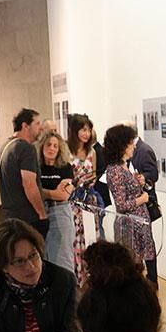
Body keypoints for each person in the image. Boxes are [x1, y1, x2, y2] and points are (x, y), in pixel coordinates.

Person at [0, 218, 79, 332]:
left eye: (33, 255)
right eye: (19, 261)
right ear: (3, 266)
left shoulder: (63, 280)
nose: (31, 267)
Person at [102, 124, 155, 280]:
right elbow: (122, 204)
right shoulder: (115, 170)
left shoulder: (124, 166)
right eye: (131, 143)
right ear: (122, 145)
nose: (133, 146)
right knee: (130, 269)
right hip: (129, 226)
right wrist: (142, 199)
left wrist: (139, 182)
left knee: (137, 268)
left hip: (138, 224)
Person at [0, 108, 48, 240]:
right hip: (27, 218)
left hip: (10, 216)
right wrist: (42, 214)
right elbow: (29, 184)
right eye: (37, 124)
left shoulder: (6, 147)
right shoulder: (26, 148)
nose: (41, 128)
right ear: (25, 126)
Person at [37, 130, 76, 273]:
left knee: (62, 258)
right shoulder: (36, 167)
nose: (51, 148)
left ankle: (68, 291)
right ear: (42, 147)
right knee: (43, 257)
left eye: (55, 146)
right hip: (39, 213)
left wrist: (43, 192)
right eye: (48, 145)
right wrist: (53, 192)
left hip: (60, 212)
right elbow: (31, 191)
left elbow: (64, 195)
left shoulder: (65, 168)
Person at [67, 113, 99, 284]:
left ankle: (90, 275)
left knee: (90, 237)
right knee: (75, 238)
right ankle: (76, 276)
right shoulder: (67, 152)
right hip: (73, 201)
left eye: (89, 130)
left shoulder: (91, 152)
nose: (86, 133)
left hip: (88, 200)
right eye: (83, 129)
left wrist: (90, 182)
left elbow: (93, 173)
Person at [130, 135, 161, 285]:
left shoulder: (144, 150)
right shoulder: (133, 151)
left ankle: (152, 278)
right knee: (140, 241)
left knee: (146, 240)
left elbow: (153, 174)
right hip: (135, 205)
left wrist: (143, 177)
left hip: (144, 203)